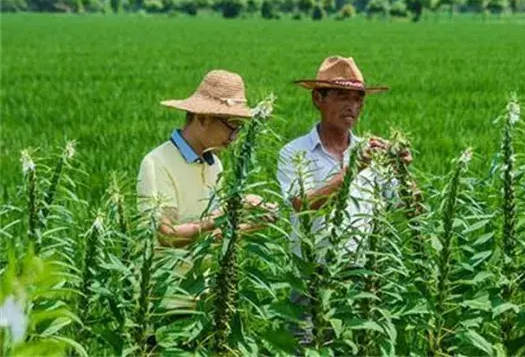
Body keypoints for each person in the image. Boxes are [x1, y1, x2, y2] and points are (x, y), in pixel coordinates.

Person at [276, 55, 412, 345]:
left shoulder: (374, 153)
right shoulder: (294, 152)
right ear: (318, 99)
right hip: (310, 279)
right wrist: (352, 172)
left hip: (361, 280)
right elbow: (302, 206)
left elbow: (412, 208)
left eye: (358, 99)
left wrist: (403, 172)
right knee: (306, 348)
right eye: (341, 96)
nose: (353, 106)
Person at [137, 69, 276, 249]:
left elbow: (212, 235)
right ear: (203, 119)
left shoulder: (214, 164)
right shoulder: (157, 163)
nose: (234, 137)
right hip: (167, 277)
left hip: (205, 277)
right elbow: (167, 237)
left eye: (239, 129)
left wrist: (254, 222)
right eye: (231, 126)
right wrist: (230, 209)